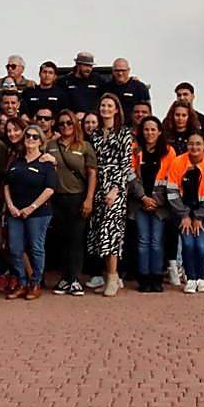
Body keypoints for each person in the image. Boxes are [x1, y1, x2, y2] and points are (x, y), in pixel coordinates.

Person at [2, 124, 58, 300]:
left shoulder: (46, 163)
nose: (30, 140)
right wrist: (10, 205)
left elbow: (50, 189)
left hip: (39, 213)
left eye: (35, 137)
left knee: (36, 247)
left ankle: (35, 283)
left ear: (41, 141)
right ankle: (21, 282)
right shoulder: (16, 161)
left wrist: (32, 207)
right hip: (15, 212)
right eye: (28, 136)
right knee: (15, 248)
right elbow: (6, 185)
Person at [46, 110, 96, 296]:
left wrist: (89, 199)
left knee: (76, 239)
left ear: (75, 124)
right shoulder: (50, 145)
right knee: (62, 239)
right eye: (61, 123)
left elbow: (92, 173)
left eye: (69, 122)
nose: (65, 126)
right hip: (56, 198)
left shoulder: (85, 146)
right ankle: (64, 278)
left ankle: (74, 278)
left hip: (77, 197)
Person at [87, 93, 133, 296]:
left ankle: (113, 278)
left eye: (109, 106)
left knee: (111, 232)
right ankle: (109, 276)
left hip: (116, 186)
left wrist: (115, 189)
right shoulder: (95, 134)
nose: (105, 109)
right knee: (99, 232)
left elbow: (126, 165)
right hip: (98, 183)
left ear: (116, 109)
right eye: (103, 105)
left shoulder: (124, 133)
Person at [166, 134, 204, 294]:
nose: (194, 147)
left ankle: (201, 278)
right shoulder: (178, 163)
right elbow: (172, 192)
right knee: (188, 244)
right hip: (182, 212)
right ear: (187, 145)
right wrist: (184, 215)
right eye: (191, 144)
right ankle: (191, 278)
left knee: (201, 245)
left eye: (198, 144)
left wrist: (198, 217)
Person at [129, 116, 174, 292]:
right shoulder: (134, 150)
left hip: (160, 206)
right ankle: (144, 277)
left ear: (159, 131)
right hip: (139, 202)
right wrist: (143, 198)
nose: (149, 133)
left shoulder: (168, 151)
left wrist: (156, 201)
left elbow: (171, 178)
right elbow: (130, 175)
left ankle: (156, 277)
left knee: (156, 242)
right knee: (142, 241)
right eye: (146, 129)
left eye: (153, 129)